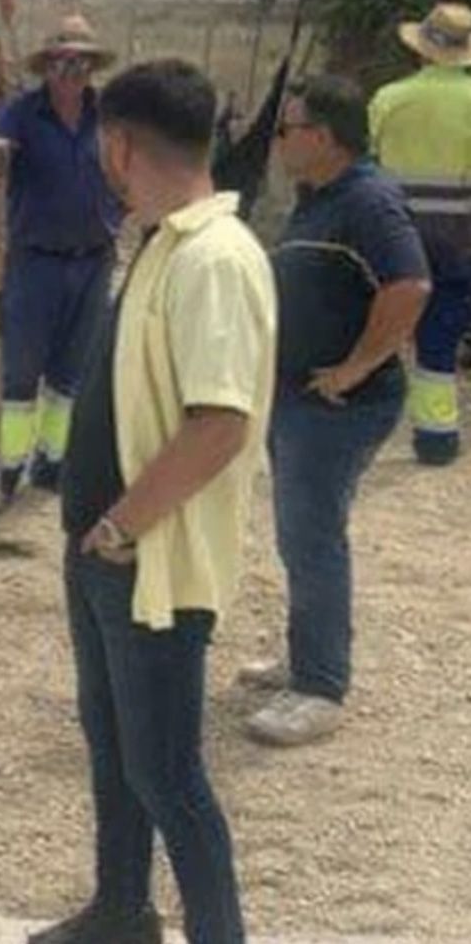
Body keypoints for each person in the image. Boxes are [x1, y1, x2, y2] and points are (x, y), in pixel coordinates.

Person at [37, 60, 276, 944]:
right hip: (105, 553)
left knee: (169, 774)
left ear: (120, 143)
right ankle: (120, 911)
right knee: (117, 758)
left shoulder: (214, 259)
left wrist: (119, 527)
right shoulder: (163, 240)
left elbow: (219, 424)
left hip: (149, 562)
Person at [243, 76, 431, 747]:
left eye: (288, 129)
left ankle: (320, 686)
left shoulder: (368, 200)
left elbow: (409, 286)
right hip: (299, 398)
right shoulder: (319, 198)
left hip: (338, 405)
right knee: (302, 536)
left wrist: (355, 366)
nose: (280, 141)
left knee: (313, 538)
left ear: (322, 137)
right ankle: (305, 656)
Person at [0, 15, 125, 510]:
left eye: (80, 61)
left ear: (91, 68)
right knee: (20, 370)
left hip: (94, 259)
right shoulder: (22, 113)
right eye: (62, 61)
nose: (71, 70)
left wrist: (123, 208)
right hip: (35, 263)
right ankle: (3, 467)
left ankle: (52, 461)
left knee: (72, 372)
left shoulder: (109, 117)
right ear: (48, 66)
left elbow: (129, 168)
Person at [370, 0, 471, 466]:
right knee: (440, 334)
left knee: (379, 323)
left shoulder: (390, 98)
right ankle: (436, 436)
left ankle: (365, 420)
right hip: (459, 238)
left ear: (422, 50)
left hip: (394, 232)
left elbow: (366, 166)